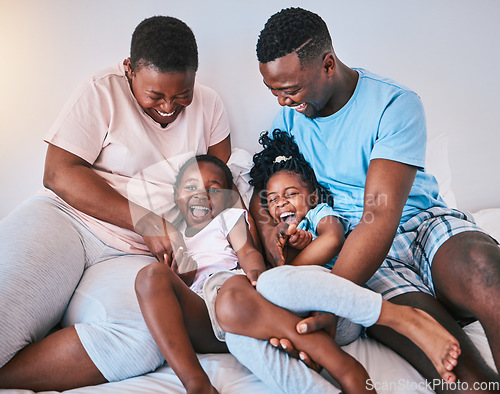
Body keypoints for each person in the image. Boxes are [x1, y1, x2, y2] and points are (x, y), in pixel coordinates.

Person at [218, 7, 500, 394]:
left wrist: (336, 303)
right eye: (273, 90)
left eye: (290, 89)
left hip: (420, 224)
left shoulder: (394, 104)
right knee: (461, 376)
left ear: (328, 65)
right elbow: (262, 192)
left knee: (488, 270)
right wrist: (273, 243)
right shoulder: (289, 120)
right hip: (360, 254)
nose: (282, 101)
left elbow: (380, 215)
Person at [0, 16, 244, 391]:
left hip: (135, 256)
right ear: (129, 69)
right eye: (155, 95)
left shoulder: (209, 107)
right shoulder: (102, 91)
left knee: (145, 339)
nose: (168, 107)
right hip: (67, 221)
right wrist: (146, 221)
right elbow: (59, 173)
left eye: (181, 95)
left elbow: (221, 191)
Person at [215, 129, 460, 393]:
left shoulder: (319, 213)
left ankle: (401, 318)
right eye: (273, 199)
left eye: (291, 194)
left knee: (268, 284)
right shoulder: (275, 235)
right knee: (236, 337)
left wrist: (289, 269)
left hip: (338, 312)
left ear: (312, 197)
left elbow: (333, 239)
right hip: (298, 322)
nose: (282, 202)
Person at [135, 154, 266, 394]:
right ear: (177, 196)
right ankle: (197, 383)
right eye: (191, 187)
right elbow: (174, 288)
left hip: (234, 303)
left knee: (227, 288)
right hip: (203, 321)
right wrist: (181, 279)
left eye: (213, 189)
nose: (201, 194)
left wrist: (258, 277)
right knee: (150, 276)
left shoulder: (227, 219)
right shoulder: (175, 237)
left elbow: (247, 251)